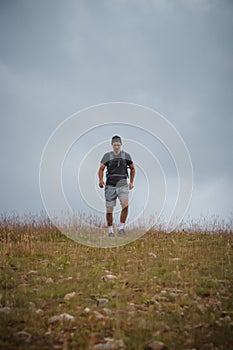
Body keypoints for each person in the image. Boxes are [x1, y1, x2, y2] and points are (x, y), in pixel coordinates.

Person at [98, 135, 135, 237]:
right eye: (115, 145)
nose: (116, 147)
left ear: (121, 144)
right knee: (109, 209)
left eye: (118, 145)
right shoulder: (107, 156)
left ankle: (121, 228)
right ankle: (110, 231)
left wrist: (131, 182)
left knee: (125, 205)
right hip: (110, 185)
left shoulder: (126, 156)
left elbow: (132, 168)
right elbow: (101, 169)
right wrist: (101, 181)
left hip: (123, 184)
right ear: (112, 145)